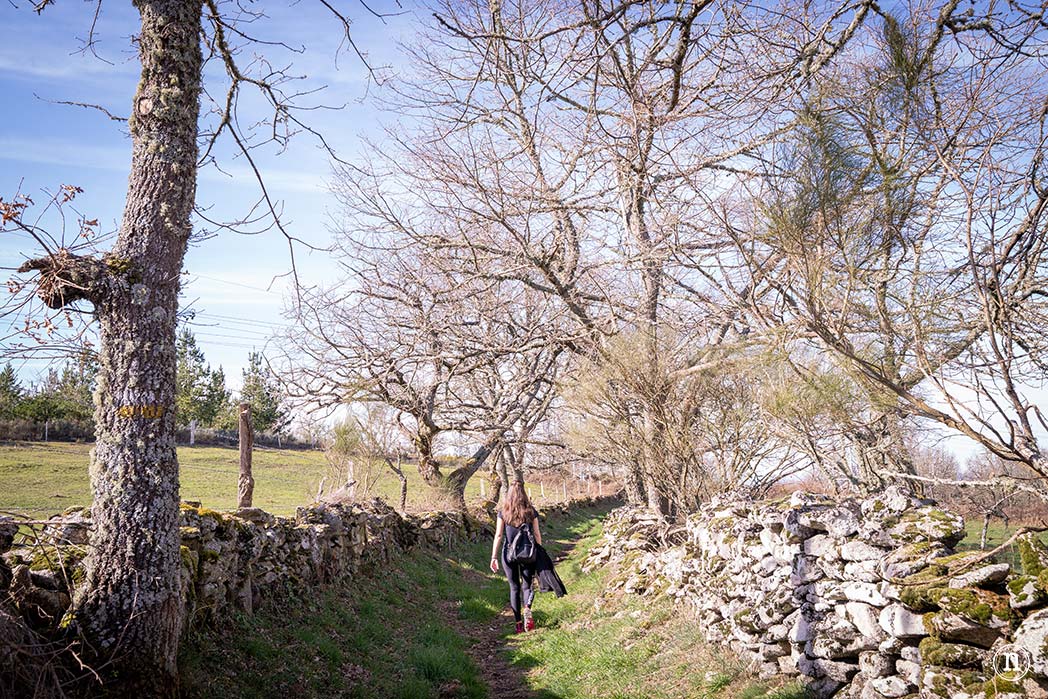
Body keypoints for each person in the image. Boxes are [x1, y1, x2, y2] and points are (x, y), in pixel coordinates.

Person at [490, 479, 542, 633]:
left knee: (514, 588)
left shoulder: (503, 512)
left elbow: (498, 535)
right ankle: (527, 607)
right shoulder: (531, 512)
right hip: (528, 553)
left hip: (509, 554)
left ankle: (518, 624)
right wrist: (540, 552)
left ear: (509, 495)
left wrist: (493, 557)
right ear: (524, 494)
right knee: (527, 585)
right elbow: (537, 534)